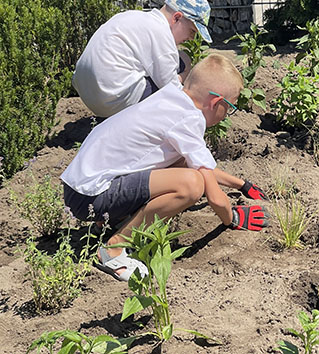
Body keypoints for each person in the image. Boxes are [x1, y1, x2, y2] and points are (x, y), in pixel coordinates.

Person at [61, 54, 269, 281]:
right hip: (91, 196)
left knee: (183, 169)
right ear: (216, 103)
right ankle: (113, 250)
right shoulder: (188, 119)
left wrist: (241, 184)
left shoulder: (171, 97)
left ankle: (118, 221)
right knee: (192, 185)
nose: (227, 114)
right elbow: (213, 196)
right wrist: (232, 218)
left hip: (81, 189)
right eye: (230, 108)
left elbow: (193, 164)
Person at [72, 0, 213, 118]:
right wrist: (185, 76)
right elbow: (172, 91)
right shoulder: (161, 34)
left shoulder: (134, 17)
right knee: (183, 64)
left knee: (179, 59)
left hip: (87, 94)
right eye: (192, 31)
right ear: (176, 18)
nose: (191, 38)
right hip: (112, 101)